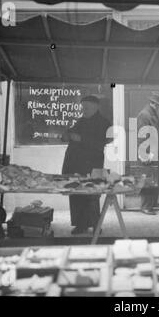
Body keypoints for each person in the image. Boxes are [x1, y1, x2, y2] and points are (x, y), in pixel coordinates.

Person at [61, 95, 112, 234]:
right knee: (77, 195)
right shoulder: (81, 121)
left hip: (92, 164)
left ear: (96, 107)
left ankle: (96, 225)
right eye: (82, 107)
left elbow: (104, 142)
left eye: (87, 107)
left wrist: (81, 139)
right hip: (75, 164)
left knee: (93, 195)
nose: (84, 110)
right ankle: (80, 225)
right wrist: (66, 135)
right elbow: (69, 134)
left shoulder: (105, 123)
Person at [136, 91, 159, 215]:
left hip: (153, 151)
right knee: (147, 180)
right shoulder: (145, 114)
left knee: (153, 179)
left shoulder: (151, 113)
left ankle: (152, 203)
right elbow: (142, 135)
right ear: (153, 103)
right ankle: (146, 206)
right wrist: (144, 153)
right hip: (147, 151)